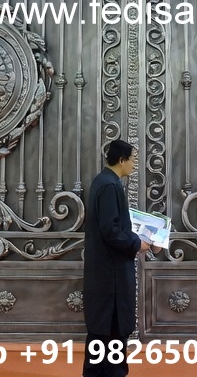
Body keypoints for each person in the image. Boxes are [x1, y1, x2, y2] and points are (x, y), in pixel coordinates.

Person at [82, 139, 150, 377]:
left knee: (102, 330)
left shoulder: (103, 181)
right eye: (133, 159)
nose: (134, 164)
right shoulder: (110, 186)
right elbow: (110, 230)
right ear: (121, 160)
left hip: (104, 271)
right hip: (111, 275)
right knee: (112, 329)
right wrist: (136, 243)